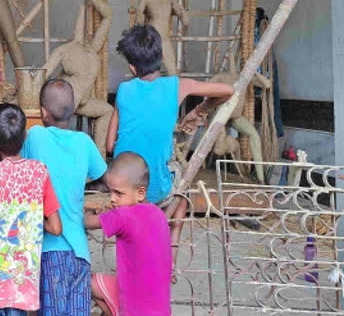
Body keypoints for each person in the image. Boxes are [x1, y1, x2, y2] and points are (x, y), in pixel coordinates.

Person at [107, 24, 234, 268]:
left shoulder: (124, 90)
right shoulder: (178, 85)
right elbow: (228, 90)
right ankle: (171, 257)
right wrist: (201, 110)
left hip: (124, 189)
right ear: (161, 57)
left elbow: (110, 145)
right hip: (156, 191)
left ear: (132, 67)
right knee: (183, 198)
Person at [22, 79, 107, 315]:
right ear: (73, 109)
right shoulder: (84, 142)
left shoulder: (35, 136)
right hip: (80, 252)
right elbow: (104, 179)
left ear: (43, 112)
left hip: (50, 250)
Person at [0, 103, 62, 316]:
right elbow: (56, 228)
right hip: (22, 283)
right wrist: (34, 221)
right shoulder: (39, 172)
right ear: (25, 136)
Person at [85, 152, 172, 316]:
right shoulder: (158, 214)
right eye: (110, 192)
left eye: (119, 193)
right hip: (161, 309)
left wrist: (81, 210)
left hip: (133, 310)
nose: (112, 199)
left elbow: (86, 222)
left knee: (85, 281)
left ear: (140, 193)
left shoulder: (123, 216)